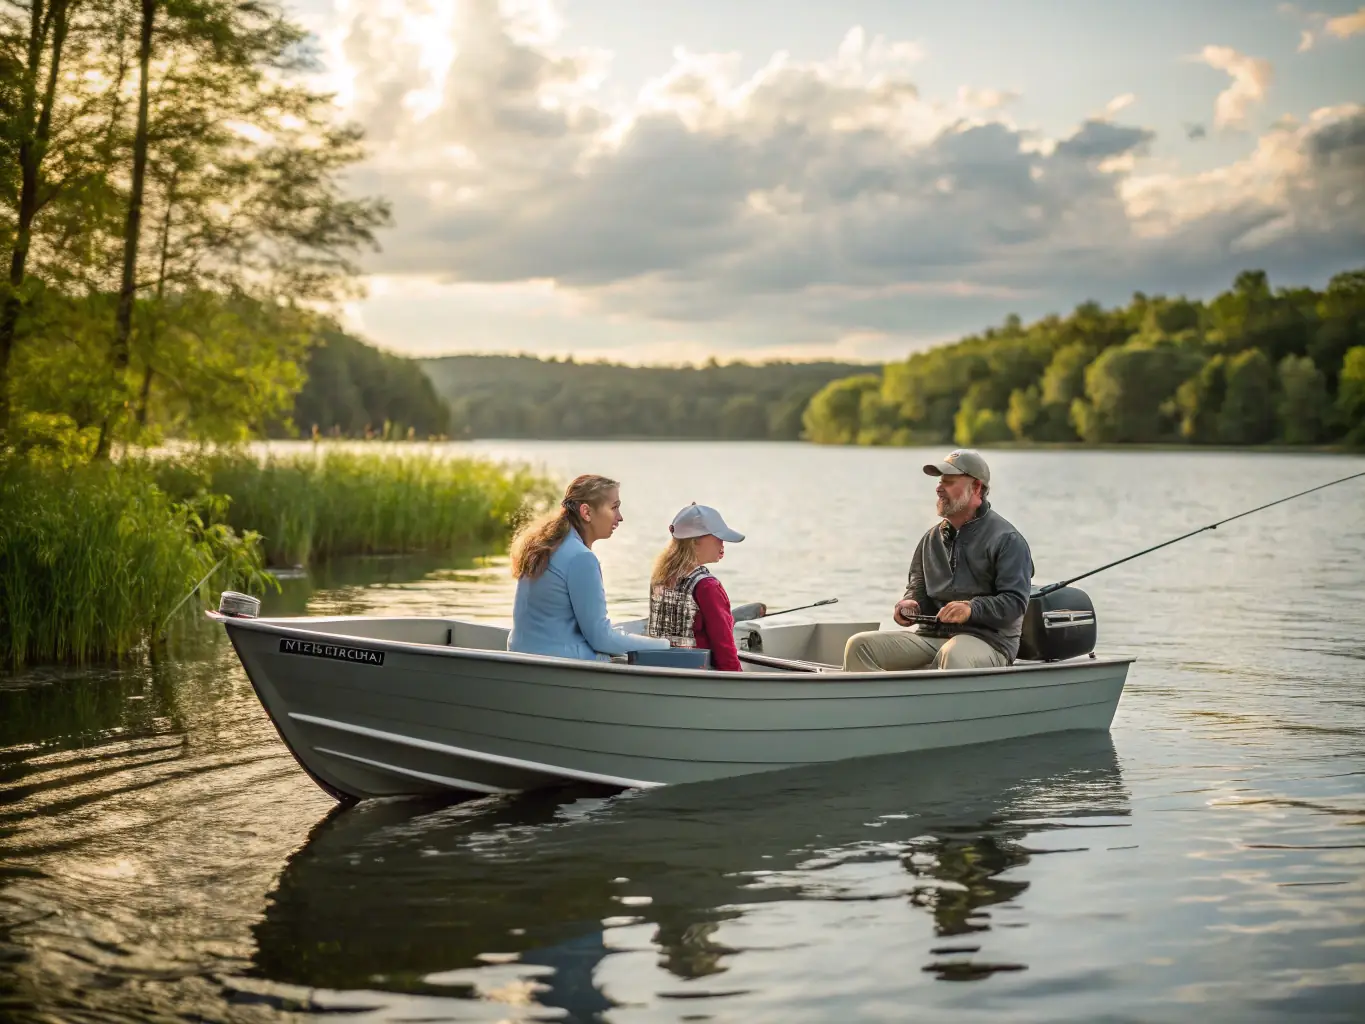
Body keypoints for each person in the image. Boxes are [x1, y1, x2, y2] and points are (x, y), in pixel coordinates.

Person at [842, 449, 1034, 672]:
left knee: (953, 655)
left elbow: (1015, 602)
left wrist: (971, 609)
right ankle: (882, 706)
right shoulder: (930, 539)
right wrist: (910, 604)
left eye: (949, 482)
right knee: (859, 646)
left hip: (990, 642)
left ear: (977, 488)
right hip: (932, 637)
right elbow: (918, 589)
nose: (939, 488)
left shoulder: (1008, 540)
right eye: (940, 481)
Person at [506, 474, 671, 662]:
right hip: (558, 662)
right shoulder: (581, 558)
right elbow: (601, 638)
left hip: (522, 653)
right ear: (586, 512)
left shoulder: (547, 544)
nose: (620, 517)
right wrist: (664, 645)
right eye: (614, 507)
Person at [646, 504, 745, 672]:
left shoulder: (661, 577)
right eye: (717, 537)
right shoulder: (708, 587)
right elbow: (724, 647)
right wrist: (739, 681)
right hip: (701, 677)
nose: (723, 544)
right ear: (695, 541)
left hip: (664, 671)